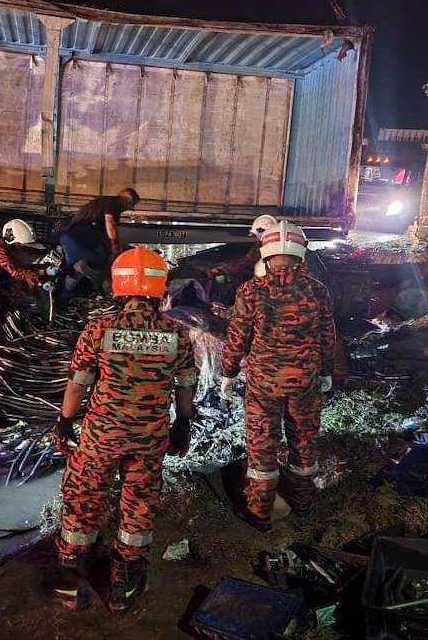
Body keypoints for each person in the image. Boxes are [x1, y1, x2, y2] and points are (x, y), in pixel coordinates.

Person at [53, 246, 197, 612]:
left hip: (101, 437)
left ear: (118, 287)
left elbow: (79, 383)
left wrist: (66, 421)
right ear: (159, 289)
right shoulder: (176, 333)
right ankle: (124, 584)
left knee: (84, 499)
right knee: (138, 505)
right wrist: (182, 424)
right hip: (149, 439)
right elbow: (185, 385)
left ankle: (72, 577)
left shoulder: (100, 329)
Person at [220, 220, 337, 532]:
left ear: (266, 254)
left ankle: (260, 513)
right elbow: (328, 336)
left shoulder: (251, 291)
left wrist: (228, 372)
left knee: (262, 446)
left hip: (264, 385)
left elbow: (238, 339)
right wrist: (327, 372)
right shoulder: (318, 291)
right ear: (301, 254)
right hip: (306, 383)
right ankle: (303, 503)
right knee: (303, 442)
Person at [56, 188, 140, 299]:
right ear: (128, 198)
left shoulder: (103, 204)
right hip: (82, 238)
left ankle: (65, 294)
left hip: (75, 238)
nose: (131, 208)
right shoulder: (112, 203)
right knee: (100, 262)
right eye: (132, 204)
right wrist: (115, 245)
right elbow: (109, 224)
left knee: (76, 270)